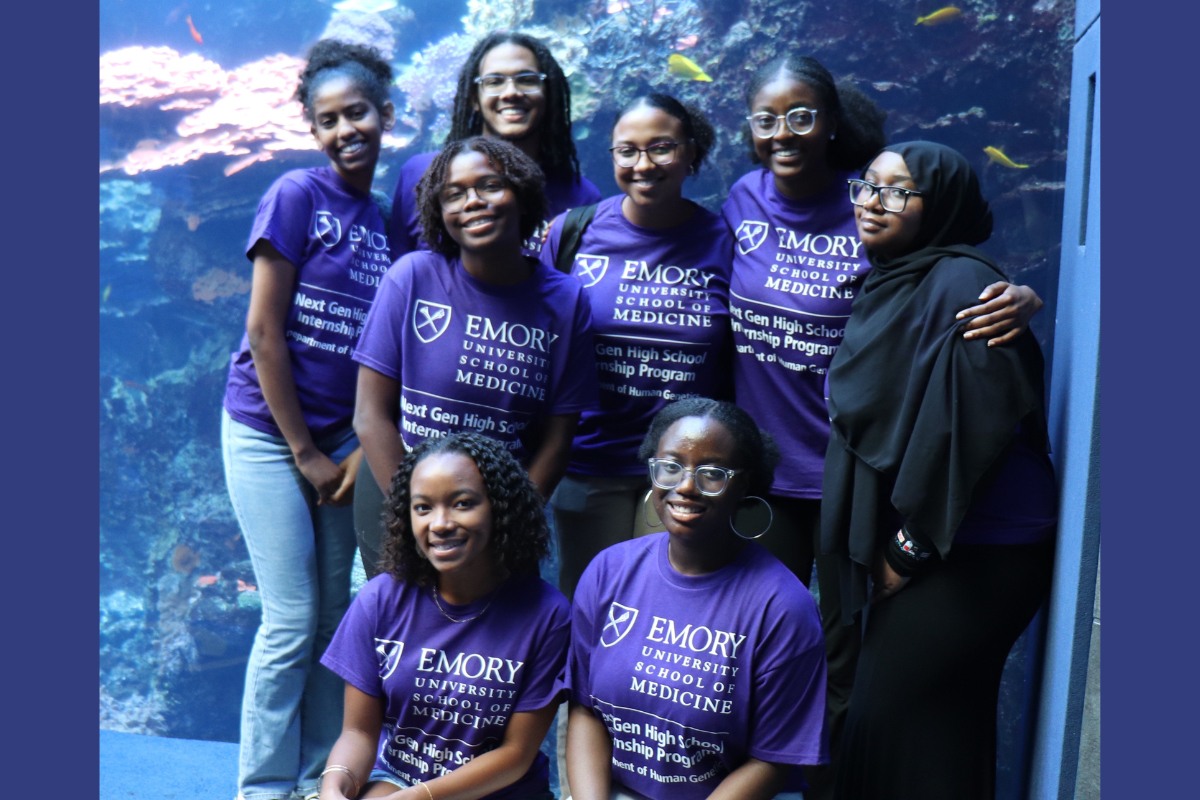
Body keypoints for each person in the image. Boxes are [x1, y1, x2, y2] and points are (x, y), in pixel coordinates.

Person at [720, 54, 1045, 799]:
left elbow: (973, 416)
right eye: (766, 118)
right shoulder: (753, 208)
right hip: (797, 484)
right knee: (764, 665)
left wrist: (1020, 298)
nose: (875, 201)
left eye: (802, 115)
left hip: (912, 519)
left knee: (858, 689)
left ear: (833, 124)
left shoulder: (941, 272)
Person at [821, 141, 1057, 800]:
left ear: (940, 203)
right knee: (929, 730)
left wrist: (909, 546)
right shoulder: (898, 280)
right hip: (947, 543)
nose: (873, 201)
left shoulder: (958, 284)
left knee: (898, 725)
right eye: (868, 185)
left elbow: (976, 425)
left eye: (898, 191)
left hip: (977, 547)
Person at [220, 40, 395, 800]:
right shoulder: (297, 195)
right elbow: (265, 333)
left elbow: (382, 351)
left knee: (335, 621)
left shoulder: (389, 223)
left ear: (386, 115)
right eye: (328, 120)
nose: (345, 129)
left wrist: (354, 447)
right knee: (291, 619)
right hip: (266, 433)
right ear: (313, 131)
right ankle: (261, 787)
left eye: (357, 112)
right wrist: (304, 450)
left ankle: (327, 776)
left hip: (340, 443)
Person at [353, 136, 598, 578]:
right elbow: (370, 416)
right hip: (395, 495)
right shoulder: (411, 277)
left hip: (503, 513)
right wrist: (419, 518)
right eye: (454, 193)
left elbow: (558, 441)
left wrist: (509, 524)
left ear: (521, 195)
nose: (473, 202)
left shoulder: (565, 301)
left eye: (490, 185)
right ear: (437, 210)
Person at [565, 399, 828, 800]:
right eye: (671, 467)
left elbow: (773, 760)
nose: (686, 485)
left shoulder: (783, 608)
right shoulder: (608, 572)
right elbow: (585, 709)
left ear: (745, 485)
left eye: (712, 474)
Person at [539, 93, 733, 602]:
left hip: (683, 473)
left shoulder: (723, 239)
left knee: (662, 611)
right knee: (585, 606)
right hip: (587, 463)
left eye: (661, 148)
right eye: (627, 151)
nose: (643, 164)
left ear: (692, 152)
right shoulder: (573, 234)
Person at [318, 432, 570, 800]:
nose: (439, 524)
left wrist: (421, 797)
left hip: (498, 791)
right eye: (423, 508)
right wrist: (334, 787)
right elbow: (359, 733)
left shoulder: (547, 616)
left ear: (500, 508)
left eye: (462, 503)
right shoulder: (380, 600)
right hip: (399, 780)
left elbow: (516, 754)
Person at [389, 31, 601, 261]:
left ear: (547, 93)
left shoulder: (582, 198)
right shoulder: (420, 175)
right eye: (494, 82)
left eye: (527, 80)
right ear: (474, 98)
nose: (511, 92)